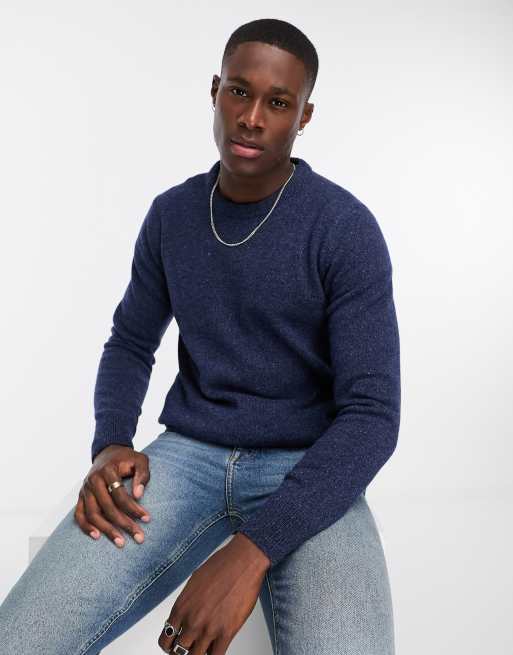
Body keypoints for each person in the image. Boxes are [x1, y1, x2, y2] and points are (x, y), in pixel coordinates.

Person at [0, 17, 401, 655]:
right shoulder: (173, 215)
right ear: (215, 91)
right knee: (20, 639)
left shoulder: (343, 228)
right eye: (239, 92)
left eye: (278, 103)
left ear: (303, 117)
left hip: (310, 463)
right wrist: (110, 444)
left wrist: (251, 552)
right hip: (189, 455)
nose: (251, 118)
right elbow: (131, 342)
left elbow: (373, 416)